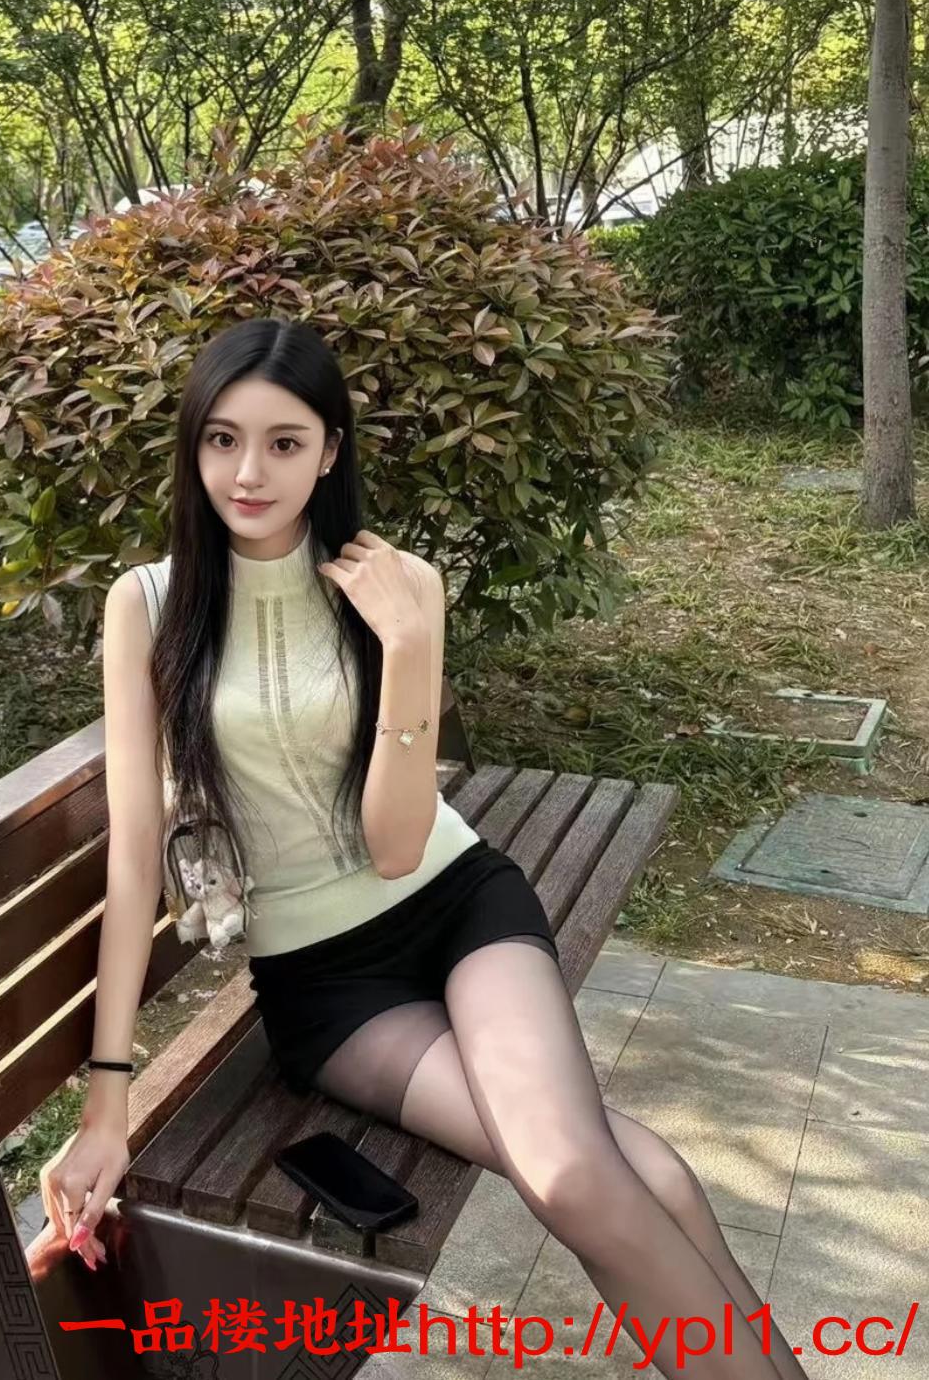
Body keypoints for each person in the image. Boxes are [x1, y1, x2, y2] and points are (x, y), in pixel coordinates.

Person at [42, 316, 809, 1379]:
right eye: (222, 439)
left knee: (581, 1172)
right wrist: (108, 1101)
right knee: (615, 1171)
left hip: (457, 906)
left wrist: (406, 644)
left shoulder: (398, 584)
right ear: (193, 445)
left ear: (330, 451)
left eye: (283, 442)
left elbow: (399, 847)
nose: (249, 473)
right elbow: (135, 859)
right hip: (328, 984)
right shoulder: (150, 603)